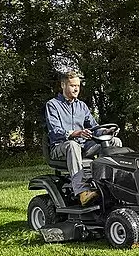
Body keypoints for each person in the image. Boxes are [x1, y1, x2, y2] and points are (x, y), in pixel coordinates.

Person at [44, 71, 122, 206]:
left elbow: (94, 127)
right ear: (63, 85)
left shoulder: (81, 106)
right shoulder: (53, 105)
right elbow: (55, 131)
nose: (76, 89)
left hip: (83, 147)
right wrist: (76, 133)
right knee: (72, 145)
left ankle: (110, 183)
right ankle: (82, 192)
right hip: (60, 147)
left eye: (78, 86)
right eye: (72, 85)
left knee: (114, 141)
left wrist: (107, 131)